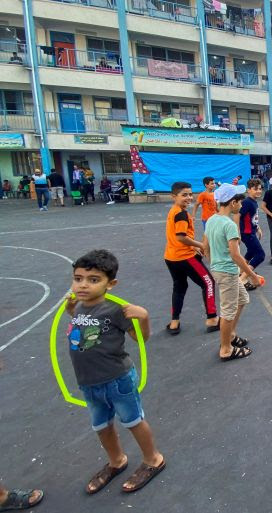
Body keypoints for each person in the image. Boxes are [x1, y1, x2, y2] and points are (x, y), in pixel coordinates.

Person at [65, 249, 165, 494]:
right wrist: (70, 307)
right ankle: (116, 460)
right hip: (88, 382)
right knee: (101, 426)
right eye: (78, 279)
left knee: (133, 421)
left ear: (111, 284)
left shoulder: (115, 310)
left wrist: (143, 317)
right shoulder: (78, 306)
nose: (83, 286)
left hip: (117, 380)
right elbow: (77, 319)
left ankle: (153, 459)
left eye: (93, 280)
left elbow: (140, 338)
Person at [203, 184, 258, 361]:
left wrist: (213, 264)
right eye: (240, 202)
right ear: (233, 202)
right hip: (226, 271)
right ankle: (226, 349)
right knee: (227, 312)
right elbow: (235, 254)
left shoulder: (212, 220)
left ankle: (231, 336)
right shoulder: (229, 225)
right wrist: (252, 274)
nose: (241, 205)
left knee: (242, 299)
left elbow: (205, 247)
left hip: (221, 270)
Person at [163, 181, 219, 335]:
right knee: (208, 283)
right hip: (185, 257)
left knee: (180, 287)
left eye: (190, 194)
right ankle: (212, 318)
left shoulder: (174, 211)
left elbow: (177, 237)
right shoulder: (181, 214)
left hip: (171, 257)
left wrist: (193, 245)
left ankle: (174, 321)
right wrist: (201, 245)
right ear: (174, 196)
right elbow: (181, 237)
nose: (188, 197)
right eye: (184, 195)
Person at [236, 179, 265, 290]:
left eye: (260, 189)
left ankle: (241, 271)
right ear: (249, 190)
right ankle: (242, 279)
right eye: (255, 189)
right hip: (247, 234)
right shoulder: (247, 202)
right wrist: (237, 232)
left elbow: (252, 218)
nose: (258, 191)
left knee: (251, 252)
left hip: (251, 231)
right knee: (260, 255)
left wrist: (258, 228)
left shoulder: (254, 201)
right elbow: (237, 216)